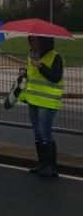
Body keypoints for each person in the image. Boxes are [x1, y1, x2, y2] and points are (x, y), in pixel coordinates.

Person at [21, 35, 64, 178]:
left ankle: (51, 166)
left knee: (44, 132)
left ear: (44, 41)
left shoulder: (55, 57)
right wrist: (24, 71)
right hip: (33, 99)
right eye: (31, 40)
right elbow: (31, 74)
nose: (32, 43)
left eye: (35, 40)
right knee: (38, 134)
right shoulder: (32, 55)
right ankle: (42, 164)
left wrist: (41, 67)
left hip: (47, 101)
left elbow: (55, 77)